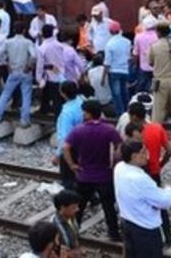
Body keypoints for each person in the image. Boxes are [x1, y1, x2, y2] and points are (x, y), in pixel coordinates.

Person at [62, 100, 122, 242]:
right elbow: (119, 146)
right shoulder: (109, 129)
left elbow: (65, 147)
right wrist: (114, 162)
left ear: (88, 114)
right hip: (104, 175)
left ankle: (73, 232)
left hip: (85, 175)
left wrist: (72, 165)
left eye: (84, 112)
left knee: (79, 207)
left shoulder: (79, 130)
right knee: (109, 207)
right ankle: (113, 233)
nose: (82, 114)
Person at [113, 141, 171, 257]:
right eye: (143, 152)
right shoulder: (140, 179)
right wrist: (168, 189)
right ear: (133, 156)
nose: (147, 155)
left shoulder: (119, 168)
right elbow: (165, 201)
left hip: (127, 222)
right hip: (145, 229)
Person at [126, 100, 171, 245]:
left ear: (134, 117)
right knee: (159, 204)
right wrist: (160, 164)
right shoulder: (157, 128)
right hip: (154, 172)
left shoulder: (133, 134)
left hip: (138, 173)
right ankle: (168, 235)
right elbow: (170, 151)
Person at [0, 21, 38, 126]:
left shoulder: (8, 42)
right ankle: (24, 120)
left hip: (13, 71)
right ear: (24, 30)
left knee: (5, 94)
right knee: (26, 95)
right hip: (25, 72)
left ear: (14, 30)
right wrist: (29, 66)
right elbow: (34, 56)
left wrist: (6, 63)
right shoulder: (28, 42)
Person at [55, 81, 86, 190]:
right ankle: (91, 197)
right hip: (83, 142)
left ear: (63, 94)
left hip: (71, 147)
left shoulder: (67, 113)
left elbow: (64, 138)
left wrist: (58, 154)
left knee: (68, 177)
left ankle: (73, 200)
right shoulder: (81, 100)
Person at [37, 25, 67, 116]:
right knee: (57, 98)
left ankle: (47, 114)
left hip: (49, 76)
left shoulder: (42, 48)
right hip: (61, 75)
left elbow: (40, 65)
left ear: (42, 34)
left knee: (53, 99)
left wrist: (39, 79)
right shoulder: (59, 45)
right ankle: (44, 111)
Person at [103, 21, 132, 116]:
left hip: (114, 71)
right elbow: (129, 57)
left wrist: (103, 77)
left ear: (110, 31)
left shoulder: (109, 44)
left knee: (116, 94)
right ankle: (127, 112)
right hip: (125, 70)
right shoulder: (127, 42)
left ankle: (120, 113)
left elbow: (107, 62)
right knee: (125, 92)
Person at [51, 190, 84, 256]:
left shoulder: (71, 217)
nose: (77, 209)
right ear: (62, 208)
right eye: (73, 207)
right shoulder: (55, 226)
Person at [132, 16, 159, 94]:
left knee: (141, 87)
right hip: (156, 67)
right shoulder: (158, 37)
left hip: (143, 66)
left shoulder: (138, 37)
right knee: (155, 88)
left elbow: (135, 53)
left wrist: (134, 64)